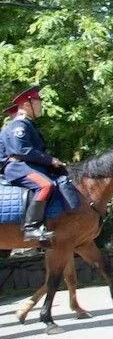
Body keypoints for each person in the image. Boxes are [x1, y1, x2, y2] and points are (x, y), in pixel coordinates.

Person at [0, 86, 65, 242]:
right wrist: (50, 160)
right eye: (37, 102)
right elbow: (22, 150)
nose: (40, 105)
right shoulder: (19, 125)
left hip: (25, 166)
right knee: (45, 185)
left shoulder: (27, 124)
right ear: (27, 105)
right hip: (17, 168)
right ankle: (31, 227)